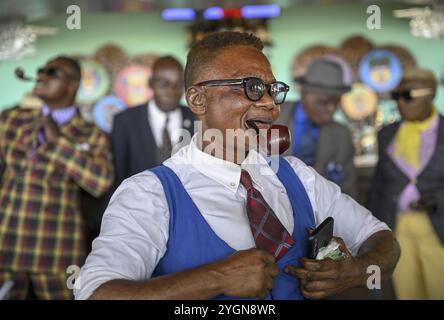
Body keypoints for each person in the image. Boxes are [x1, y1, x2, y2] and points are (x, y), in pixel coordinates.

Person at [75, 32, 399, 300]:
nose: (270, 103)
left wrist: (355, 270)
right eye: (252, 87)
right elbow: (95, 293)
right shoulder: (149, 194)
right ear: (198, 100)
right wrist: (215, 278)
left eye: (272, 90)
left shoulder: (296, 175)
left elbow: (380, 238)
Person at [0, 56, 114, 299]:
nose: (41, 76)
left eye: (51, 72)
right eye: (41, 69)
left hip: (54, 248)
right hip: (6, 243)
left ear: (72, 85)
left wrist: (59, 143)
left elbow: (100, 182)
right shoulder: (11, 120)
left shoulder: (91, 134)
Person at [368, 68, 444, 299]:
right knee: (407, 292)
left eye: (408, 96)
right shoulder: (387, 134)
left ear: (430, 95)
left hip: (441, 229)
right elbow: (378, 184)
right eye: (396, 97)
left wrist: (441, 199)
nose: (400, 103)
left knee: (441, 290)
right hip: (397, 228)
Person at [277, 57, 357, 198]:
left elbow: (348, 191)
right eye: (323, 102)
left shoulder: (341, 135)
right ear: (303, 93)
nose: (331, 109)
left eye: (336, 102)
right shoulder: (272, 117)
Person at [111, 56, 195, 186]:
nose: (171, 91)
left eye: (178, 84)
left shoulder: (196, 117)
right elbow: (118, 175)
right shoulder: (125, 121)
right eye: (164, 84)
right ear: (151, 84)